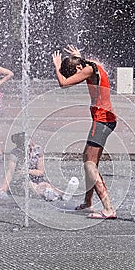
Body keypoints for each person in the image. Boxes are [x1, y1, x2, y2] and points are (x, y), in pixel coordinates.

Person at [52, 45, 117, 219]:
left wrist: (57, 67)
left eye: (74, 73)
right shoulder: (91, 64)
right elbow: (82, 64)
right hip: (105, 119)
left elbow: (63, 84)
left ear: (79, 68)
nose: (75, 77)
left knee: (89, 163)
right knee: (88, 159)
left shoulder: (87, 69)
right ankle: (88, 202)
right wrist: (77, 56)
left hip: (102, 120)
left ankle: (108, 208)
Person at [0, 132, 62, 201]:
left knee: (46, 185)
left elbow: (41, 171)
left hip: (35, 177)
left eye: (31, 143)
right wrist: (4, 187)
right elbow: (10, 172)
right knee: (31, 185)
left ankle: (60, 194)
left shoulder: (38, 150)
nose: (31, 147)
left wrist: (28, 171)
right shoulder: (15, 153)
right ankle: (48, 194)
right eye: (27, 145)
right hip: (19, 180)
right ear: (20, 145)